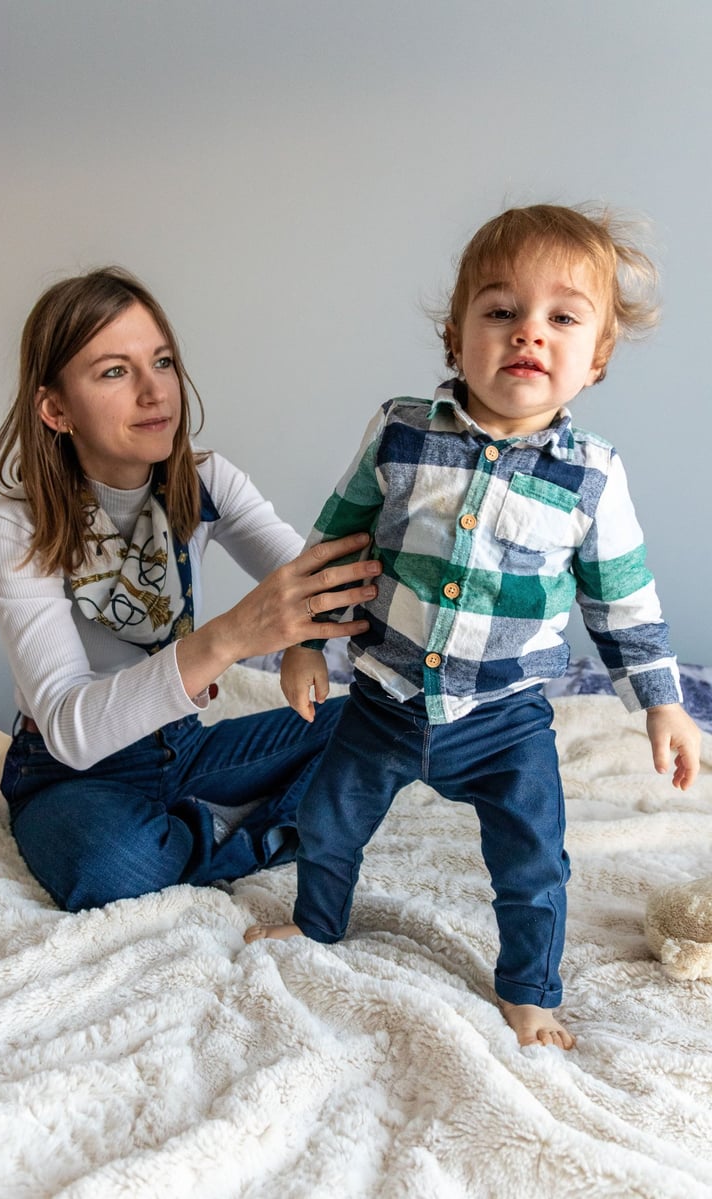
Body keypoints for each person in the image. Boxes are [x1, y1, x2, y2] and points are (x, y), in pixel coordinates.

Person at [244, 204, 702, 1050]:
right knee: (329, 821)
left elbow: (623, 599)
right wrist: (304, 643)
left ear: (595, 357)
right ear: (457, 339)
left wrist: (661, 703)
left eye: (562, 318)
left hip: (504, 721)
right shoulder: (400, 432)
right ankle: (315, 922)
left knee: (533, 860)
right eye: (501, 311)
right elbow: (334, 545)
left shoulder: (590, 477)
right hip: (383, 698)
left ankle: (530, 990)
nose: (529, 332)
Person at [0, 266, 381, 913]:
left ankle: (200, 826)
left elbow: (317, 582)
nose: (153, 391)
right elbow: (70, 729)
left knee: (380, 726)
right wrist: (228, 637)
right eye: (114, 371)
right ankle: (247, 829)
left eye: (161, 361)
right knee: (105, 865)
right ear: (56, 408)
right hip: (67, 774)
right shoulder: (16, 523)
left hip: (181, 743)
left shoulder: (205, 482)